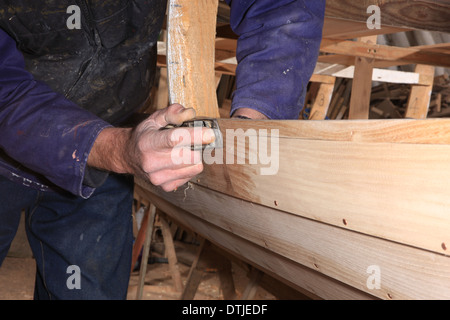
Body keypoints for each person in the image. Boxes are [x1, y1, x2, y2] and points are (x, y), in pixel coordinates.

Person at [0, 0, 325, 299]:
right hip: (69, 144)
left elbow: (281, 6)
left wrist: (254, 118)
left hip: (110, 149)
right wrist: (117, 149)